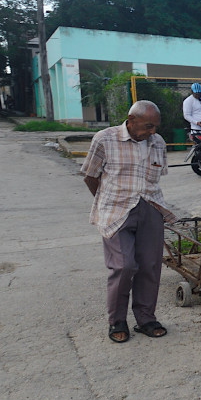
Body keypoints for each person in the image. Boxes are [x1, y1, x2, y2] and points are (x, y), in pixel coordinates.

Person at [81, 100, 175, 343]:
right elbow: (90, 176)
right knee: (124, 266)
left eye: (155, 127)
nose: (152, 132)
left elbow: (155, 180)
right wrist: (107, 203)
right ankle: (117, 321)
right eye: (148, 126)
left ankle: (145, 318)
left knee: (150, 266)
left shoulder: (158, 143)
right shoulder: (105, 139)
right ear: (131, 120)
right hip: (116, 211)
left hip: (150, 208)